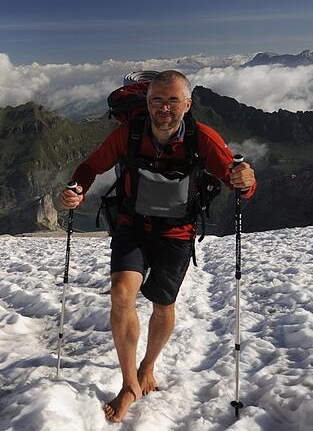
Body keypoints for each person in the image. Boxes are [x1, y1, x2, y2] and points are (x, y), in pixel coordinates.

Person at [59, 70, 256, 423]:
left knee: (163, 304)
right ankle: (129, 384)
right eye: (156, 101)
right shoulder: (129, 134)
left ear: (187, 104)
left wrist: (246, 181)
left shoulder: (203, 139)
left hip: (176, 232)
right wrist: (77, 188)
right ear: (147, 103)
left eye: (172, 101)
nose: (164, 109)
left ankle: (148, 366)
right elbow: (92, 166)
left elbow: (236, 178)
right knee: (121, 294)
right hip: (132, 225)